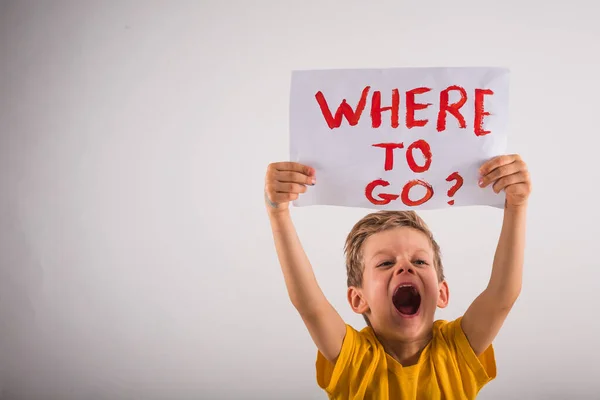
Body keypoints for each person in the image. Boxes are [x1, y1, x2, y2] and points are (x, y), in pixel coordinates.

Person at [264, 154, 531, 399]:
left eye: (419, 260)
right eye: (386, 263)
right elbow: (311, 307)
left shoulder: (456, 352)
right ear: (358, 299)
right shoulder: (355, 359)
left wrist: (516, 207)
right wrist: (278, 214)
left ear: (441, 292)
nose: (405, 268)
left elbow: (502, 296)